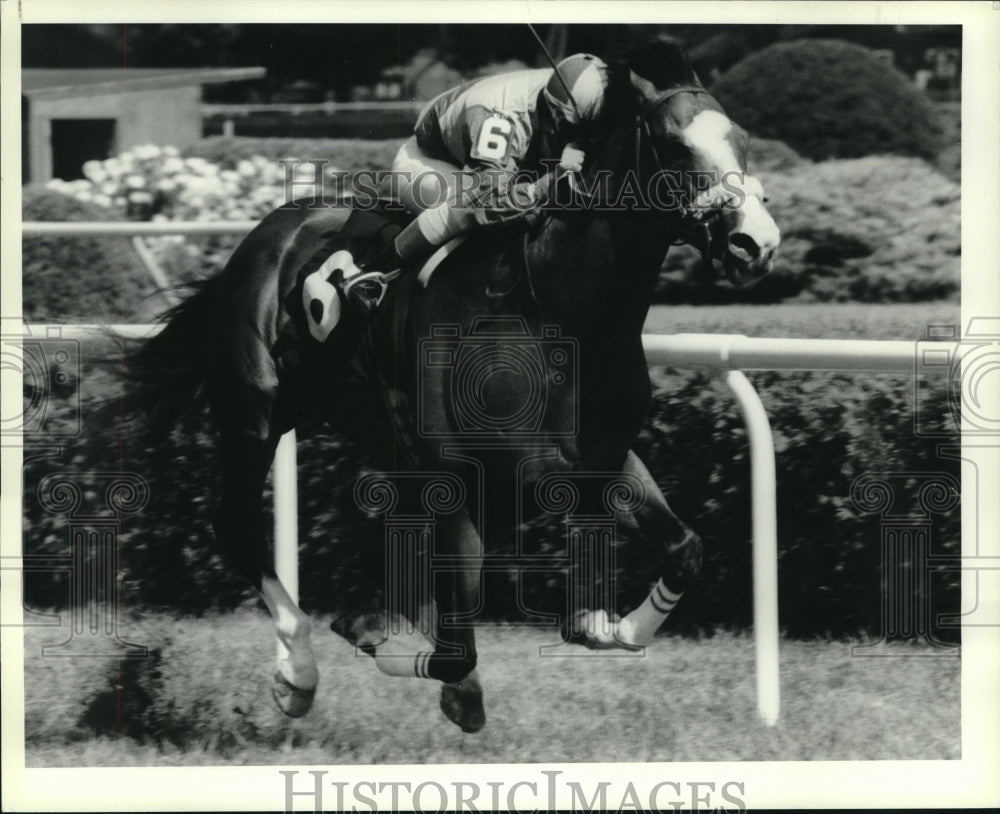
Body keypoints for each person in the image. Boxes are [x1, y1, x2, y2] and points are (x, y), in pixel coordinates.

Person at [341, 53, 610, 312]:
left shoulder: (569, 92)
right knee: (465, 207)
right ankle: (372, 276)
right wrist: (550, 182)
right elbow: (486, 204)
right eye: (571, 128)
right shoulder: (500, 119)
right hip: (429, 161)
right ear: (555, 111)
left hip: (489, 163)